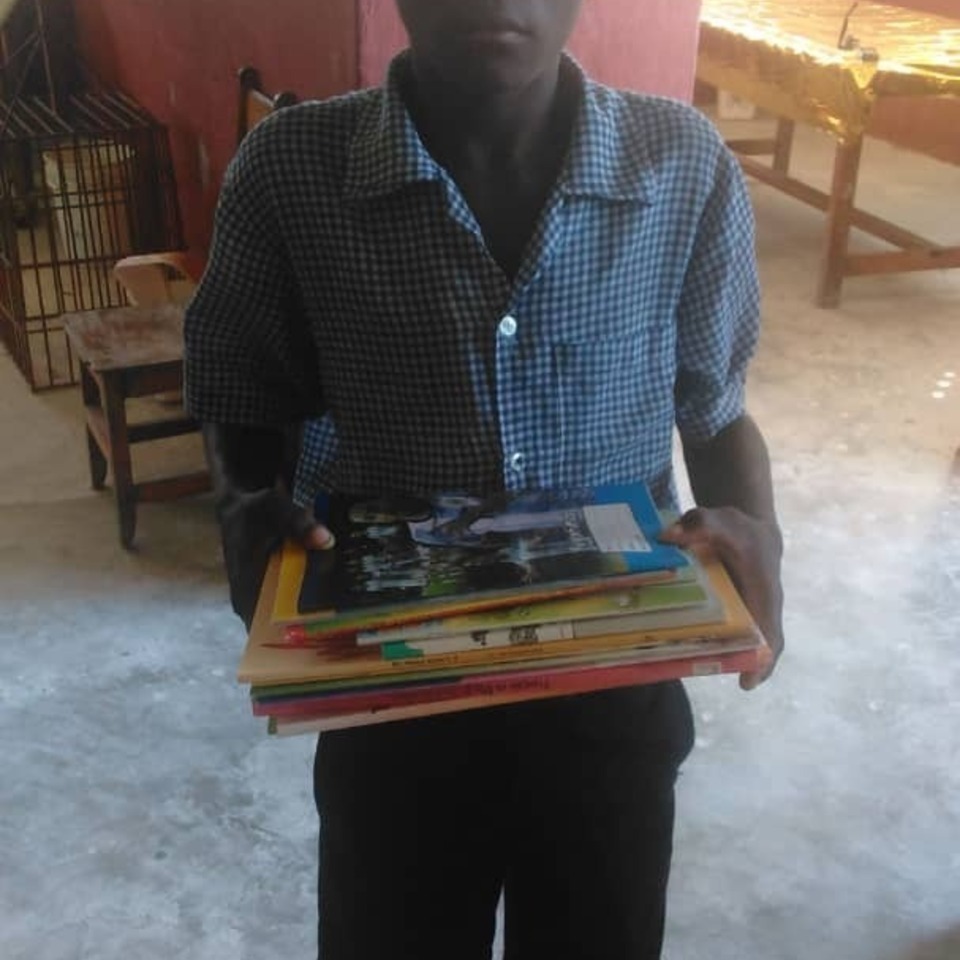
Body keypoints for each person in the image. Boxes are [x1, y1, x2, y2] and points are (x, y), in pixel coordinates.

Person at [184, 1, 785, 957]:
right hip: (389, 699)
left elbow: (712, 404)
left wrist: (761, 532)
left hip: (613, 697)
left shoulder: (683, 162)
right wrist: (243, 503)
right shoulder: (293, 169)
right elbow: (240, 387)